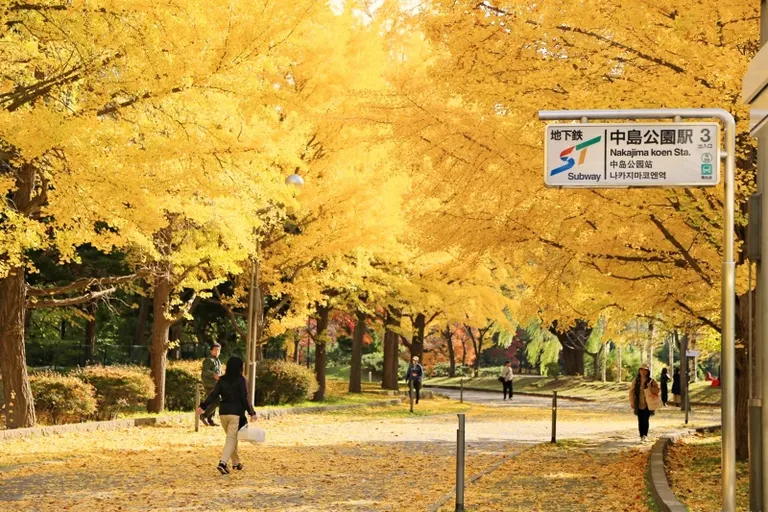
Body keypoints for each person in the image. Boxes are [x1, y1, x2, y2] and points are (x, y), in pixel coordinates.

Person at [197, 356, 257, 475]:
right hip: (236, 414)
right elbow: (245, 398)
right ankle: (222, 463)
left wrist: (203, 406)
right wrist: (252, 412)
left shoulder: (222, 380)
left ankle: (236, 463)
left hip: (223, 413)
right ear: (240, 367)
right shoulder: (241, 380)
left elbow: (214, 394)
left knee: (232, 439)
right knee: (231, 439)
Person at [629, 363, 660, 444]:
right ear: (639, 371)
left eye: (645, 370)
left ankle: (645, 435)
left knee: (645, 420)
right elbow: (631, 392)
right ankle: (641, 435)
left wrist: (650, 387)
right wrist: (632, 401)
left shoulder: (651, 380)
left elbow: (657, 390)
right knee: (640, 420)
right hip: (639, 404)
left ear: (648, 371)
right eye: (641, 370)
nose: (643, 372)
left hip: (648, 404)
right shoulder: (636, 380)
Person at [200, 343, 222, 426]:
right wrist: (214, 375)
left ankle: (210, 419)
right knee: (217, 401)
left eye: (218, 350)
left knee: (214, 401)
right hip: (209, 384)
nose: (217, 352)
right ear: (211, 351)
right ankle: (204, 416)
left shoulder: (218, 361)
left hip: (216, 385)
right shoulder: (208, 360)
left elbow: (219, 373)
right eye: (215, 350)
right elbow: (205, 371)